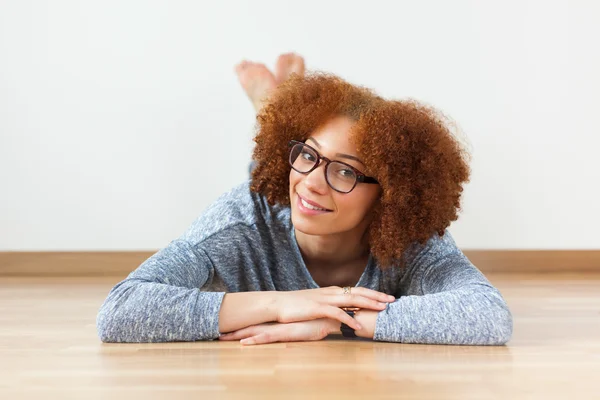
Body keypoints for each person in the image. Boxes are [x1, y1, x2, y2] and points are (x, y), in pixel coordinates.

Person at [96, 53, 513, 346]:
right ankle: (271, 105)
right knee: (269, 182)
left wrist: (334, 323)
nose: (313, 181)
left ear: (390, 196)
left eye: (345, 171)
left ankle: (274, 103)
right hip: (264, 210)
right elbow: (121, 310)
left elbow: (488, 316)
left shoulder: (411, 240)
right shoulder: (238, 221)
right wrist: (283, 305)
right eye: (308, 154)